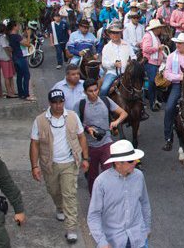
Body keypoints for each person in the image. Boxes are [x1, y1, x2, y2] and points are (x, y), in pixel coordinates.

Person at [30, 89, 89, 243]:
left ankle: (71, 229)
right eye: (55, 103)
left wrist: (85, 158)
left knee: (69, 194)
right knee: (54, 190)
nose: (58, 105)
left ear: (64, 101)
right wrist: (34, 166)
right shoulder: (40, 120)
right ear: (50, 103)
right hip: (49, 164)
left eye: (60, 102)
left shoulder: (73, 117)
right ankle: (59, 207)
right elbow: (35, 144)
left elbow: (81, 137)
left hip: (70, 162)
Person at [88, 140, 150, 248]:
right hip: (114, 242)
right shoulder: (101, 182)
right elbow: (94, 215)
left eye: (135, 159)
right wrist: (102, 242)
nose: (135, 162)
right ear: (117, 163)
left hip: (139, 238)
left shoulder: (139, 176)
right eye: (130, 160)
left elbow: (144, 203)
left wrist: (147, 228)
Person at [76, 79, 128, 194]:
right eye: (90, 91)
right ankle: (95, 201)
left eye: (96, 90)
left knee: (110, 173)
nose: (94, 93)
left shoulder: (105, 101)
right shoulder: (81, 105)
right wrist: (87, 129)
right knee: (92, 177)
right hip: (90, 146)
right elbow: (75, 123)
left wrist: (116, 122)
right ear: (85, 92)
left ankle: (110, 198)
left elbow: (124, 113)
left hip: (106, 142)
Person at [100, 23, 136, 96]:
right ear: (109, 34)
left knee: (139, 87)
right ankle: (103, 104)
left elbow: (134, 56)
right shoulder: (106, 47)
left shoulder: (127, 44)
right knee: (104, 89)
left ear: (120, 34)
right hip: (113, 72)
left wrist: (131, 62)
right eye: (113, 33)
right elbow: (104, 63)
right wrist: (114, 64)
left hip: (127, 72)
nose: (115, 35)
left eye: (117, 33)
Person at [141, 19, 166, 112]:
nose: (160, 30)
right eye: (159, 28)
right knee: (152, 82)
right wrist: (158, 48)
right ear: (155, 28)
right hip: (150, 62)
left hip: (156, 62)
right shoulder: (148, 36)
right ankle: (152, 102)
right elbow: (146, 49)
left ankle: (155, 100)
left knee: (156, 82)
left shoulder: (155, 37)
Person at [6, 20, 34, 101]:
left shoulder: (10, 36)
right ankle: (26, 94)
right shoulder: (16, 36)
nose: (19, 27)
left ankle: (21, 93)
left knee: (19, 76)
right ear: (14, 27)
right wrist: (29, 35)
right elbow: (28, 44)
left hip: (15, 57)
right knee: (26, 75)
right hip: (20, 57)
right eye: (17, 25)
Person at [0, 23, 18, 98]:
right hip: (5, 58)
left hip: (1, 58)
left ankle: (11, 91)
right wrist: (10, 55)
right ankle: (10, 92)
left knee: (8, 76)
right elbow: (5, 47)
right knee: (8, 76)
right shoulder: (2, 37)